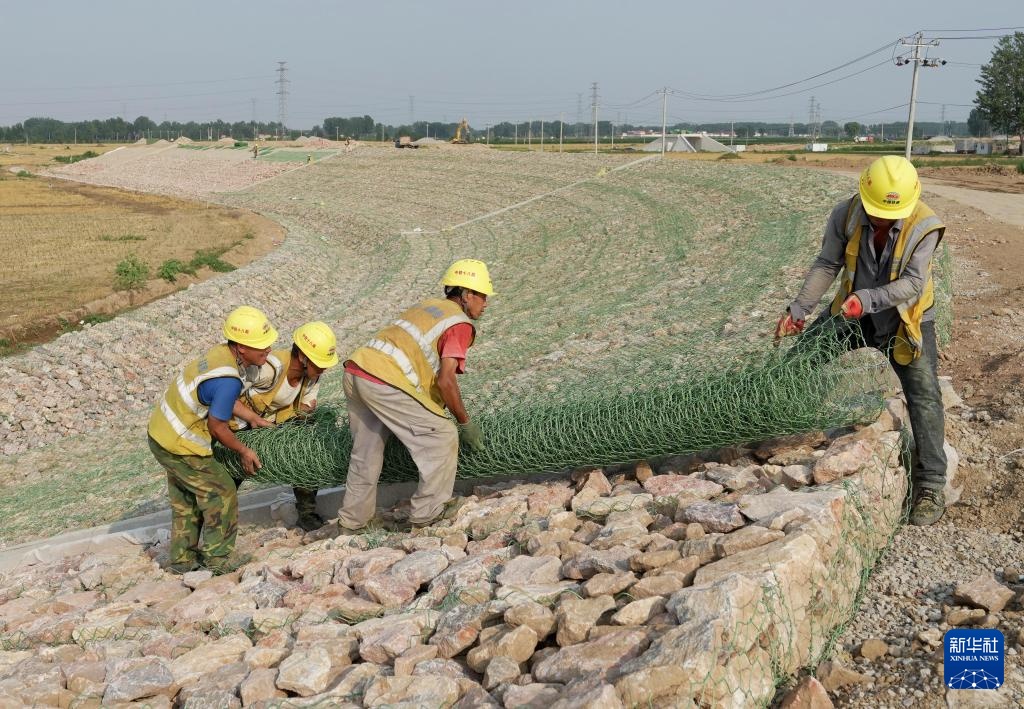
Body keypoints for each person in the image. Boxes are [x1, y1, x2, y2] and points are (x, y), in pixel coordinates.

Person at [775, 155, 947, 525]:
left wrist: (867, 300)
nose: (883, 219)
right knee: (801, 358)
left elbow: (914, 284)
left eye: (891, 213)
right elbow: (827, 264)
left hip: (904, 320)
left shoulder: (925, 226)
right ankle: (771, 423)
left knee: (924, 395)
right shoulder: (847, 214)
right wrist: (799, 309)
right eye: (877, 212)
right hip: (851, 313)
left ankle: (931, 485)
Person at [337, 259, 493, 531]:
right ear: (467, 295)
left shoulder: (428, 307)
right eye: (482, 295)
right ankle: (428, 513)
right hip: (384, 380)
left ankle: (352, 524)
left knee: (366, 453)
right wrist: (464, 423)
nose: (486, 302)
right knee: (442, 436)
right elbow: (446, 380)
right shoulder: (459, 324)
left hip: (356, 370)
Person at [147, 305, 278, 573]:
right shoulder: (228, 378)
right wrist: (244, 451)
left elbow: (220, 400)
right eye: (261, 346)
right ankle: (217, 560)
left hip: (160, 434)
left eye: (269, 344)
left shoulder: (220, 355)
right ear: (241, 347)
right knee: (221, 491)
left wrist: (251, 417)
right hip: (180, 445)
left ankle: (182, 562)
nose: (268, 351)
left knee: (186, 498)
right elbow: (218, 427)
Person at [230, 321, 340, 532]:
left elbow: (306, 405)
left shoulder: (312, 376)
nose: (324, 369)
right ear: (302, 357)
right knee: (232, 475)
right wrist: (252, 419)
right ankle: (217, 524)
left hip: (277, 426)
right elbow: (229, 396)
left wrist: (307, 412)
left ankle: (307, 513)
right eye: (320, 363)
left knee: (305, 454)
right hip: (243, 427)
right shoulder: (269, 369)